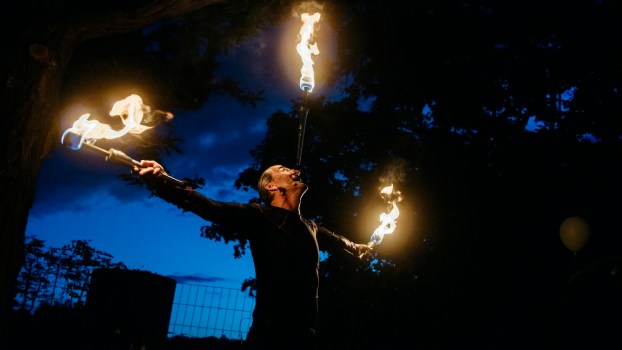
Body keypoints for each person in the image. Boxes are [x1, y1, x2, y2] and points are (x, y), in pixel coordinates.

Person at [133, 161, 373, 349]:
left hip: (305, 336)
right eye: (283, 169)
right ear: (271, 186)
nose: (294, 170)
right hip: (271, 335)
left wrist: (356, 248)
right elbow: (209, 208)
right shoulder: (259, 215)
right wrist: (162, 184)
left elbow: (339, 241)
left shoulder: (310, 226)